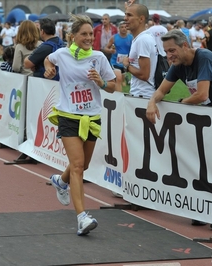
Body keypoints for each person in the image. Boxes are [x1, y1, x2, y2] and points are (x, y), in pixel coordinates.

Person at [145, 29, 212, 231]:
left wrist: (181, 103)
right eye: (166, 52)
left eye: (172, 50)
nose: (169, 56)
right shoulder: (178, 65)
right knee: (205, 161)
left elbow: (201, 95)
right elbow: (161, 90)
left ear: (185, 45)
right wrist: (151, 102)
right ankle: (206, 209)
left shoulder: (205, 57)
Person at [43, 14, 116, 236]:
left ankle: (60, 181)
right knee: (77, 165)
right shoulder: (62, 54)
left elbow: (112, 86)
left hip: (92, 117)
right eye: (83, 34)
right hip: (68, 116)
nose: (87, 38)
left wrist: (101, 82)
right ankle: (82, 217)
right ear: (72, 36)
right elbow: (49, 59)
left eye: (89, 34)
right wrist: (49, 68)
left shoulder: (99, 58)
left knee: (82, 166)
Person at [122, 3, 157, 99]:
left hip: (142, 95)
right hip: (142, 94)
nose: (125, 18)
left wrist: (127, 66)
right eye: (125, 15)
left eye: (129, 15)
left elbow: (144, 75)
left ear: (141, 19)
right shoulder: (142, 37)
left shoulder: (142, 40)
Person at [104, 21, 133, 89]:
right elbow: (106, 48)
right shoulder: (114, 37)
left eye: (125, 27)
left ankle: (117, 90)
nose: (124, 29)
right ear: (119, 28)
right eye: (122, 27)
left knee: (122, 81)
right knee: (118, 79)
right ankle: (118, 97)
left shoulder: (131, 38)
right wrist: (110, 50)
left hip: (125, 63)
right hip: (115, 62)